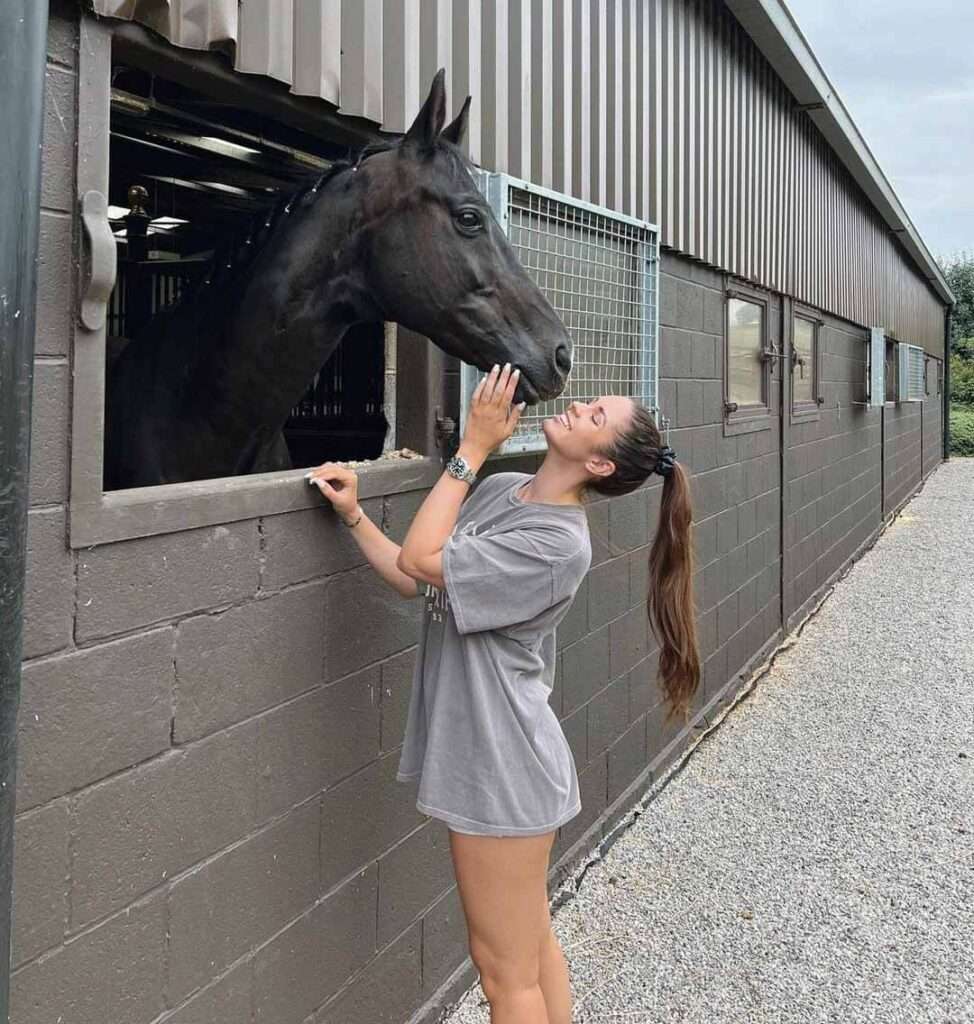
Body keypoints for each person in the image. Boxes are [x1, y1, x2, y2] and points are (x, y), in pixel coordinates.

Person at [307, 363, 699, 1024]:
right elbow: (420, 578)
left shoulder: (557, 546)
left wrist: (470, 448)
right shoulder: (505, 492)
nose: (578, 409)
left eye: (594, 418)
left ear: (601, 467)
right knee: (531, 948)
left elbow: (421, 558)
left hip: (503, 772)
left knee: (503, 977)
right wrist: (353, 517)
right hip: (505, 764)